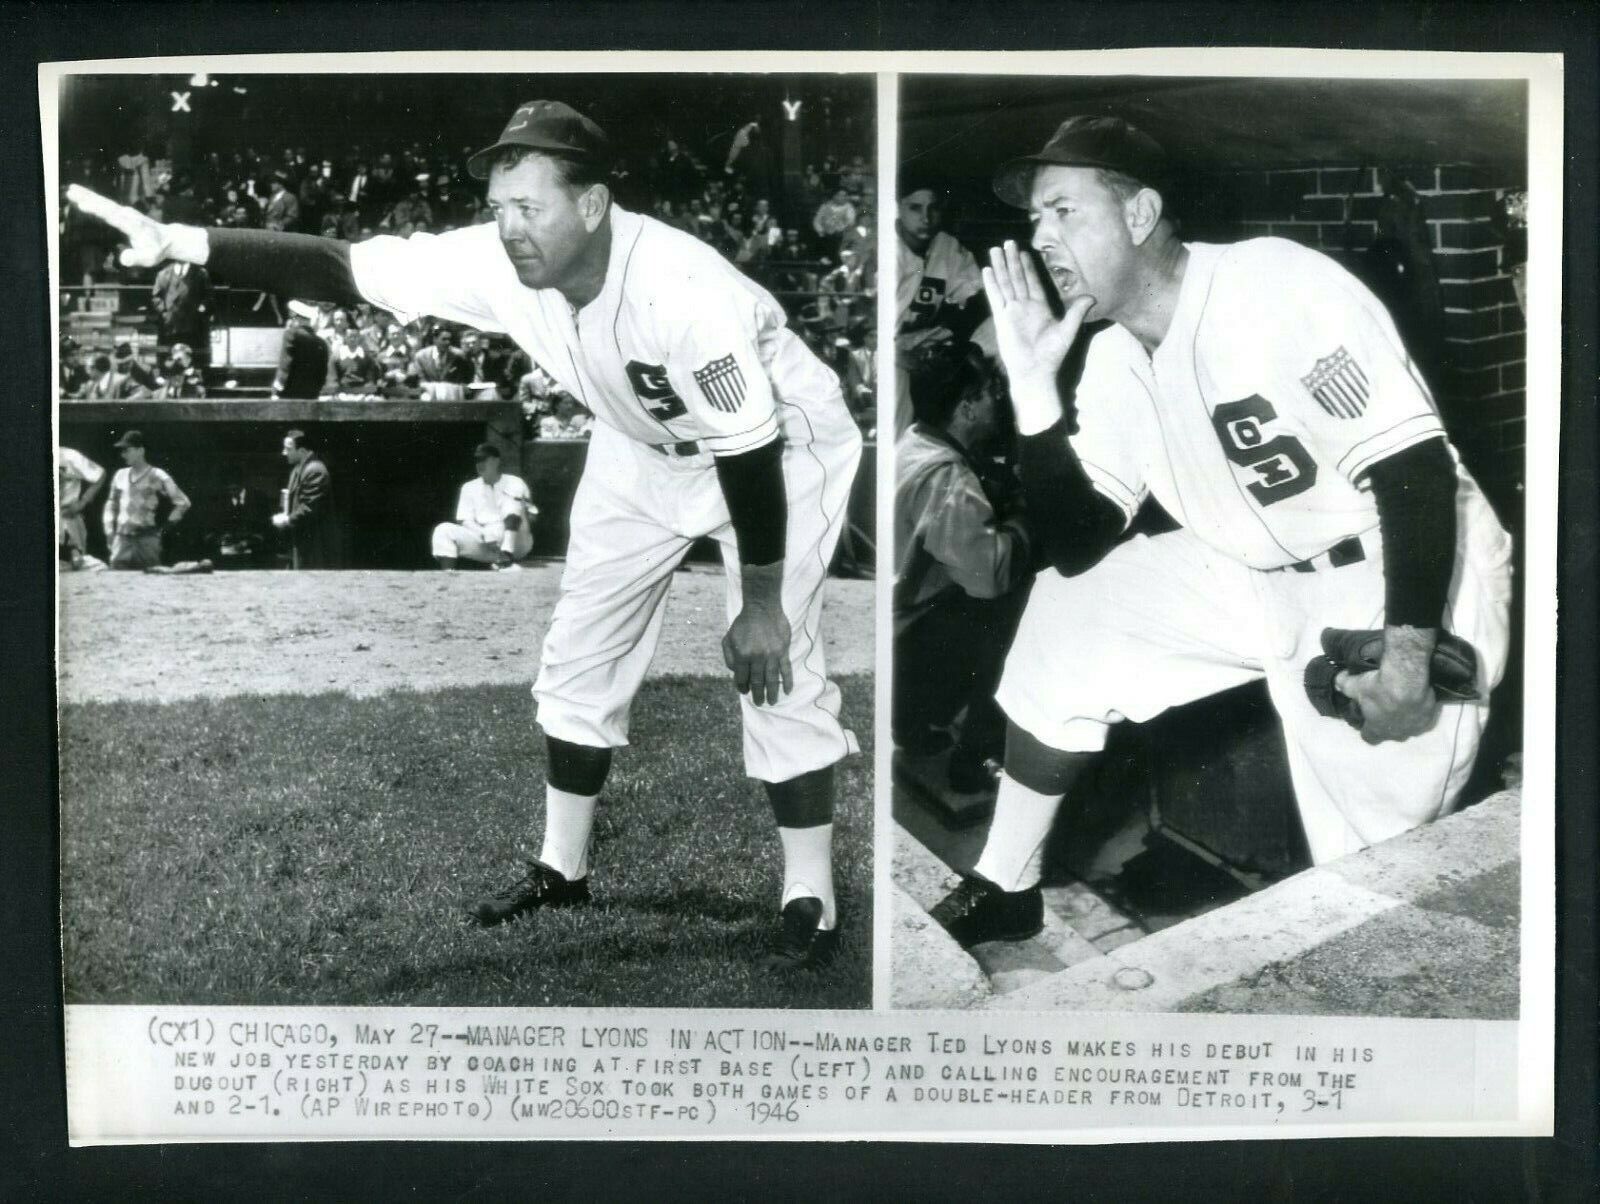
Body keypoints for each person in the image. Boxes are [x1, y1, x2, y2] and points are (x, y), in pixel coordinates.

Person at [68, 98, 864, 971]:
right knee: (577, 655)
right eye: (499, 207)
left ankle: (810, 892)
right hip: (638, 448)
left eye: (530, 207)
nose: (510, 227)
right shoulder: (500, 262)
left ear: (593, 205)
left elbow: (747, 451)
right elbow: (344, 267)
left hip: (780, 447)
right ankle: (563, 869)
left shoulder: (682, 290)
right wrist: (184, 241)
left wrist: (756, 605)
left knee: (776, 658)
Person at [923, 116, 1514, 947]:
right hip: (1251, 571)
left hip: (1400, 565)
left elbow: (1410, 468)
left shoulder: (1272, 283)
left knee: (1378, 881)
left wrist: (1409, 654)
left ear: (1138, 215)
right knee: (1073, 609)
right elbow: (1075, 544)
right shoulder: (1115, 357)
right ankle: (1007, 881)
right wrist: (1032, 392)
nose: (1041, 236)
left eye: (1063, 210)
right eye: (1034, 220)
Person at [894, 348, 1032, 791]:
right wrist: (1024, 524)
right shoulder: (947, 478)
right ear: (967, 407)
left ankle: (912, 724)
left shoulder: (915, 440)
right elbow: (988, 577)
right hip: (904, 638)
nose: (1000, 400)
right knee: (1016, 609)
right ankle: (976, 760)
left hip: (891, 625)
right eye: (992, 393)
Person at [895, 180, 985, 435]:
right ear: (898, 208)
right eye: (915, 208)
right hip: (880, 353)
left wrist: (950, 332)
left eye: (933, 208)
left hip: (921, 348)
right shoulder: (881, 247)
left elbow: (976, 300)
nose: (926, 218)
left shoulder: (947, 247)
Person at [432, 442, 538, 570]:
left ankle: (507, 556)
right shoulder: (469, 487)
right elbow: (464, 520)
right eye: (477, 460)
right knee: (443, 529)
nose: (479, 464)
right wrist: (484, 534)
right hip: (487, 541)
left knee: (511, 501)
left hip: (517, 542)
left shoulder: (515, 481)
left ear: (496, 461)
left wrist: (528, 511)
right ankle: (448, 576)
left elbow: (532, 515)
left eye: (483, 459)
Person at [102, 429, 190, 569]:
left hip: (147, 541)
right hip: (122, 540)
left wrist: (164, 528)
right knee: (117, 582)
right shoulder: (120, 475)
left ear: (140, 450)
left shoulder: (157, 475)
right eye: (122, 451)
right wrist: (109, 531)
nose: (123, 454)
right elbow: (111, 504)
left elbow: (183, 502)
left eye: (127, 450)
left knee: (150, 583)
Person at [270, 429, 339, 569]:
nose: (284, 452)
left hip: (313, 546)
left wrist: (287, 520)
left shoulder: (315, 470)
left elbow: (309, 507)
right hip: (300, 543)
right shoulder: (298, 469)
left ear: (301, 451)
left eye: (288, 449)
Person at [149, 258, 211, 371]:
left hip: (192, 328)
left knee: (192, 364)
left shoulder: (201, 274)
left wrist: (200, 310)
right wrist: (164, 312)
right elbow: (156, 297)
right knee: (170, 363)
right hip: (170, 327)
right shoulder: (163, 274)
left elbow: (208, 296)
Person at [57, 446, 106, 568]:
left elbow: (100, 474)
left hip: (66, 516)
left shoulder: (69, 456)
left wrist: (82, 503)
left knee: (76, 567)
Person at [273, 308, 330, 399]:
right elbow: (323, 372)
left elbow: (286, 362)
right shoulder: (322, 343)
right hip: (312, 393)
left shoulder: (291, 334)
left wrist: (277, 387)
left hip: (289, 392)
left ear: (297, 319)